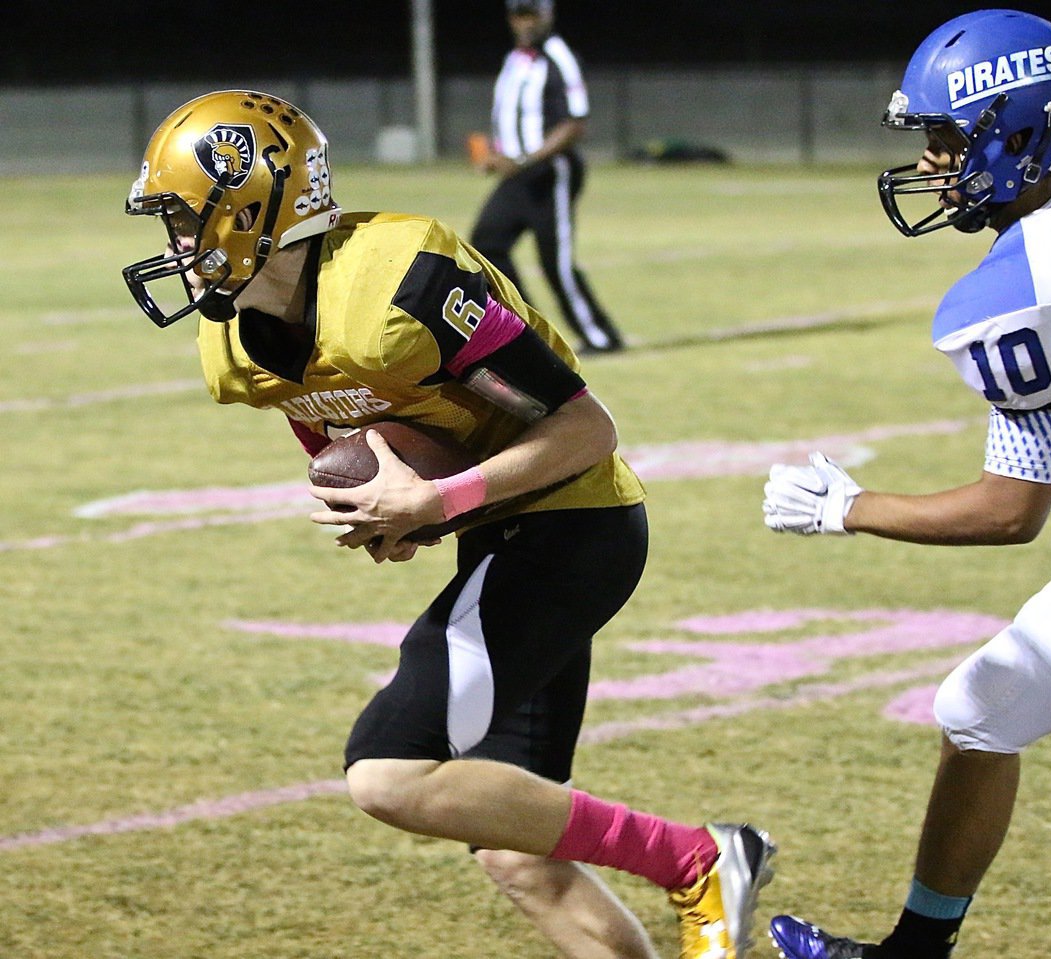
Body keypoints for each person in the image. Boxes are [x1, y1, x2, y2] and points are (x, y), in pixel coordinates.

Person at [121, 89, 775, 959]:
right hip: (497, 534)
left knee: (389, 772)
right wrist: (382, 503)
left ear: (251, 211)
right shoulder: (238, 343)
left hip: (573, 524)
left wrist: (436, 501)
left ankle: (698, 857)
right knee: (519, 848)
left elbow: (587, 429)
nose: (173, 244)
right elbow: (333, 420)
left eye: (181, 216)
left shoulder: (403, 283)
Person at [761, 9, 1051, 959]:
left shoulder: (1030, 284)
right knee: (980, 711)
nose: (929, 163)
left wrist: (846, 507)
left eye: (948, 137)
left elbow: (1010, 511)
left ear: (1024, 126)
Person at [469, 0, 625, 355]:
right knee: (487, 246)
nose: (525, 22)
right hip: (518, 175)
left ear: (548, 15)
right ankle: (528, 332)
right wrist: (495, 153)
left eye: (532, 14)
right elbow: (509, 115)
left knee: (554, 260)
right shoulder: (515, 59)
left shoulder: (559, 56)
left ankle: (601, 337)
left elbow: (574, 122)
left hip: (550, 172)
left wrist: (523, 158)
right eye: (517, 14)